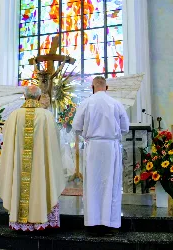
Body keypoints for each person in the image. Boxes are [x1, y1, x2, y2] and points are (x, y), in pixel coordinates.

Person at [0, 86, 65, 232]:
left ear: (24, 96)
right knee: (42, 183)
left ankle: (20, 221)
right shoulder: (46, 116)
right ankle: (41, 219)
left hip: (19, 167)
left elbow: (7, 143)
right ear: (39, 98)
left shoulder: (14, 116)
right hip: (41, 165)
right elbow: (54, 143)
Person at [72, 76, 129, 235]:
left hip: (93, 148)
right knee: (111, 184)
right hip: (111, 147)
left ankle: (92, 223)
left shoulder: (86, 103)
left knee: (92, 184)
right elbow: (125, 128)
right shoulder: (116, 103)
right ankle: (110, 224)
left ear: (92, 87)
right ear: (107, 87)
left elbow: (76, 126)